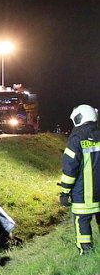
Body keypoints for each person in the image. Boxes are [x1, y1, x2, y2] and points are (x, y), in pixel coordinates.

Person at [58, 104, 100, 255]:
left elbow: (70, 169)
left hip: (83, 194)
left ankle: (86, 252)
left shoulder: (77, 138)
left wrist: (64, 192)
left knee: (82, 221)